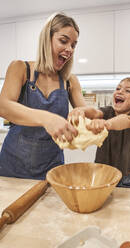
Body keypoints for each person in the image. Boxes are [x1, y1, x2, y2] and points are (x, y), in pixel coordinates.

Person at [0, 13, 87, 180]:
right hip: (12, 166)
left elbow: (84, 110)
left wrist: (88, 116)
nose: (69, 49)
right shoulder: (20, 68)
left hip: (51, 168)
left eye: (74, 45)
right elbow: (3, 106)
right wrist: (47, 119)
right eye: (63, 41)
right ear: (47, 39)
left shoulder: (70, 81)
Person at [68, 77, 130, 188]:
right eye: (118, 88)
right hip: (101, 174)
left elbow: (125, 120)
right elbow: (95, 112)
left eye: (127, 90)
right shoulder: (108, 111)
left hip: (125, 178)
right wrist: (81, 110)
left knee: (124, 205)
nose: (120, 91)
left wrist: (107, 124)